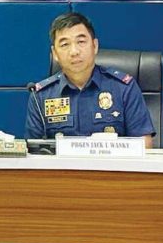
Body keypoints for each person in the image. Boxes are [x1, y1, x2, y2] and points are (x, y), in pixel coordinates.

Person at [25, 12, 155, 147]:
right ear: (55, 54)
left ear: (95, 46)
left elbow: (143, 146)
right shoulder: (40, 96)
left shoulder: (123, 88)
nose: (74, 51)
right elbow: (34, 151)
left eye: (81, 42)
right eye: (65, 44)